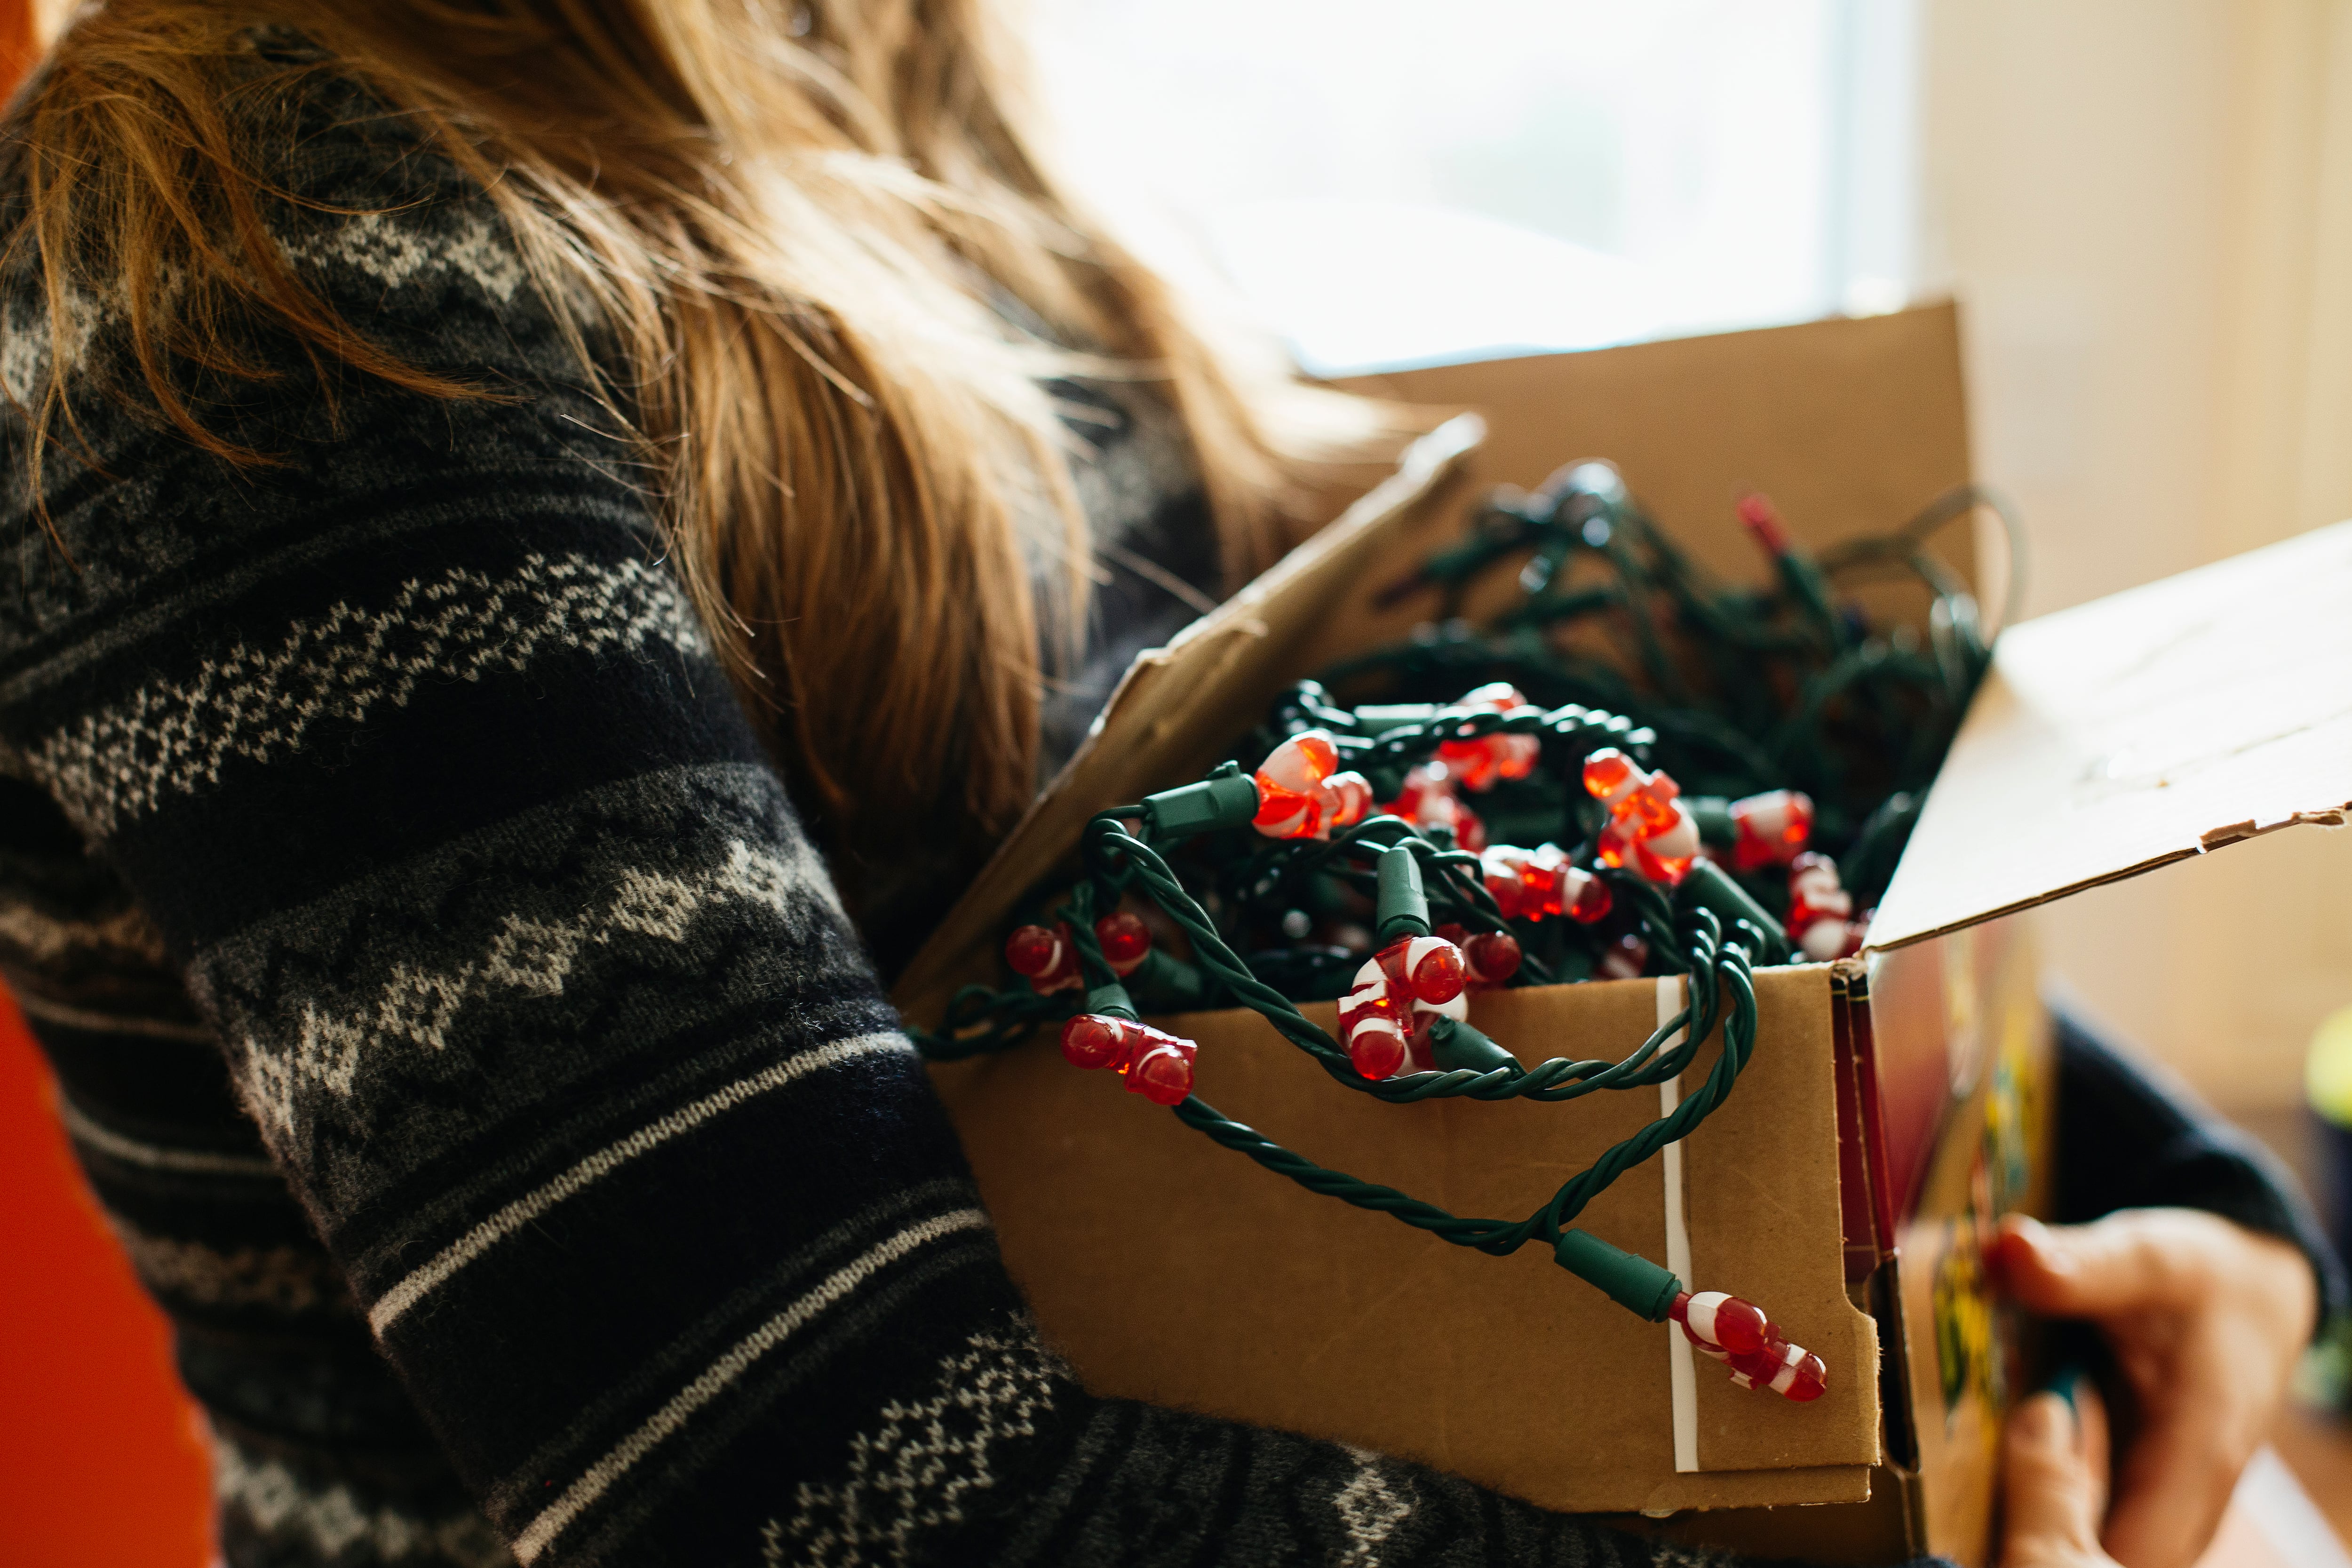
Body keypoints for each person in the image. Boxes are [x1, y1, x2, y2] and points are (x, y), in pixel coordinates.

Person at [0, 4, 2336, 1566]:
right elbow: (829, 1496)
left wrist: (2151, 1199)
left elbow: (1383, 775)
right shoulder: (259, 265)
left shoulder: (886, 77)